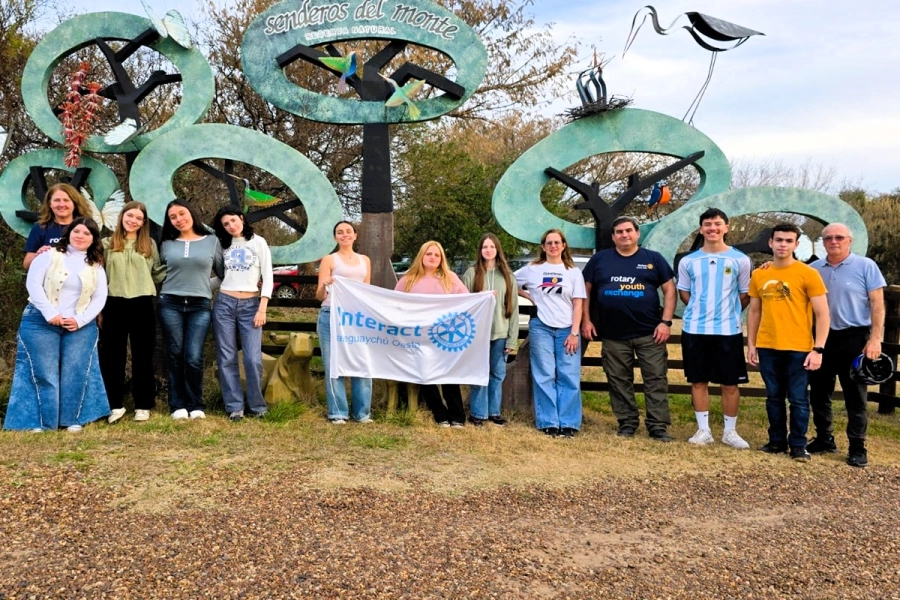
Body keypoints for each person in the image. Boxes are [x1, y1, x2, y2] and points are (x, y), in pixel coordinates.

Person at [3, 218, 110, 432]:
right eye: (77, 231)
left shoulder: (96, 265)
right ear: (69, 233)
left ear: (93, 239)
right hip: (40, 320)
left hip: (79, 325)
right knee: (43, 372)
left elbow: (100, 297)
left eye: (87, 233)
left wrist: (80, 320)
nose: (81, 236)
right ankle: (40, 422)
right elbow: (33, 284)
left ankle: (71, 420)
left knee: (76, 371)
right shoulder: (49, 255)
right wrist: (50, 313)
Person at [582, 216, 676, 441]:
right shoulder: (600, 259)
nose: (624, 235)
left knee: (655, 379)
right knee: (618, 379)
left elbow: (670, 291)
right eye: (619, 232)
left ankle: (657, 426)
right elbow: (584, 292)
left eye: (628, 231)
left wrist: (666, 322)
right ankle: (627, 422)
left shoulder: (653, 259)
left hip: (650, 333)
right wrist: (586, 320)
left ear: (637, 234)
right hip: (613, 334)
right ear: (613, 236)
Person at [747, 223, 829, 462]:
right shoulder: (759, 274)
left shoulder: (808, 274)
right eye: (779, 240)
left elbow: (823, 313)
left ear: (796, 244)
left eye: (788, 240)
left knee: (798, 399)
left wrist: (818, 349)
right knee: (773, 397)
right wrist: (751, 344)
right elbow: (754, 312)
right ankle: (776, 442)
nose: (783, 244)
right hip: (768, 346)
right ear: (770, 243)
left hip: (799, 348)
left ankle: (798, 445)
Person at [808, 223, 886, 467]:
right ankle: (824, 438)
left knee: (855, 395)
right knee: (819, 392)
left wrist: (875, 338)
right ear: (823, 242)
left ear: (849, 240)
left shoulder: (866, 266)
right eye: (828, 238)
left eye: (839, 237)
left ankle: (857, 445)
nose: (833, 241)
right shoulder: (813, 269)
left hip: (854, 337)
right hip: (822, 339)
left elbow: (877, 304)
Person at [677, 208, 753, 449]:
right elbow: (685, 293)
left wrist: (726, 311)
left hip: (728, 330)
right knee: (698, 381)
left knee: (730, 383)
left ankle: (730, 432)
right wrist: (702, 309)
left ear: (726, 227)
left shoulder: (740, 259)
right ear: (701, 229)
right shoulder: (688, 261)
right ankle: (704, 430)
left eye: (717, 224)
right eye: (708, 224)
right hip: (695, 329)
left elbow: (745, 295)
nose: (712, 228)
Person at [100, 201, 166, 423]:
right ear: (122, 217)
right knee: (112, 356)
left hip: (142, 303)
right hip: (113, 303)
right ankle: (114, 404)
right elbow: (96, 276)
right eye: (130, 216)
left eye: (138, 218)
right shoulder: (106, 244)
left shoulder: (149, 245)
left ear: (143, 222)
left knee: (143, 356)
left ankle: (143, 404)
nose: (133, 221)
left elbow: (158, 273)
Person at [157, 199, 224, 421]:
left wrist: (206, 286)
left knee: (194, 356)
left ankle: (196, 404)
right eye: (173, 217)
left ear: (191, 214)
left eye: (182, 214)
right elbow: (158, 273)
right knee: (175, 354)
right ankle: (177, 405)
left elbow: (223, 274)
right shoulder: (166, 243)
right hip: (170, 303)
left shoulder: (212, 241)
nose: (178, 219)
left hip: (200, 306)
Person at [516, 228, 586, 438]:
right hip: (541, 327)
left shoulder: (573, 272)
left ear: (564, 245)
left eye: (557, 242)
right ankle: (548, 422)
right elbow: (510, 281)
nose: (553, 246)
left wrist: (574, 332)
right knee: (544, 374)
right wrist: (528, 295)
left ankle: (569, 422)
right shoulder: (533, 269)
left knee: (568, 374)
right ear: (543, 247)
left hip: (567, 329)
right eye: (549, 243)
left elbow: (578, 304)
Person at [395, 240, 469, 427]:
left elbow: (467, 300)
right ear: (422, 255)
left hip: (443, 336)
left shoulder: (449, 277)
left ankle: (457, 416)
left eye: (437, 255)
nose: (433, 257)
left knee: (448, 375)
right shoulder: (408, 279)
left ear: (441, 258)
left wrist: (485, 297)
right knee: (425, 375)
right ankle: (440, 413)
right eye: (429, 254)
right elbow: (394, 302)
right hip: (418, 336)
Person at [212, 206, 274, 422]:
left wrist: (262, 308)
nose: (230, 226)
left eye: (232, 221)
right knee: (226, 356)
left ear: (241, 218)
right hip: (224, 304)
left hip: (251, 305)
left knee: (252, 358)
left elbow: (268, 276)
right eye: (225, 224)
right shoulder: (222, 245)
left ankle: (257, 405)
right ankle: (234, 406)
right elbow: (220, 276)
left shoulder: (259, 242)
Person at [316, 220, 373, 424]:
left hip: (356, 318)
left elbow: (367, 291)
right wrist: (325, 284)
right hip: (331, 314)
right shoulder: (329, 260)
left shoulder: (364, 260)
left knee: (362, 362)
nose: (345, 235)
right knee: (333, 364)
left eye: (348, 231)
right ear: (335, 237)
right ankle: (338, 412)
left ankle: (362, 413)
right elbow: (319, 295)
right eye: (340, 232)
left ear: (355, 235)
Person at [462, 233, 519, 426]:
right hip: (478, 335)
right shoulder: (471, 274)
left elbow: (513, 308)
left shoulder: (508, 276)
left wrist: (512, 339)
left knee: (497, 373)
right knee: (479, 372)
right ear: (480, 250)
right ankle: (478, 413)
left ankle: (494, 411)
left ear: (497, 250)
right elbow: (464, 304)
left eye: (492, 247)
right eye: (485, 247)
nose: (488, 250)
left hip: (500, 333)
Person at [23, 183, 93, 270]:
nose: (61, 204)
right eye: (57, 200)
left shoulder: (87, 227)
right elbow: (26, 264)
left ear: (74, 203)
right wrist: (38, 255)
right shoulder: (40, 227)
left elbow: (98, 259)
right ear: (49, 203)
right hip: (49, 281)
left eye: (66, 200)